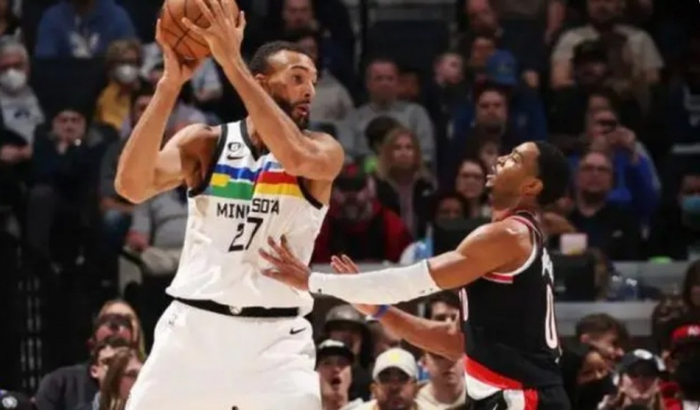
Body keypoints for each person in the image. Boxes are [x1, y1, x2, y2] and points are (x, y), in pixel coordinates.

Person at [115, 0, 344, 409]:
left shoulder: (322, 150)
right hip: (194, 331)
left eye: (312, 80)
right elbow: (131, 186)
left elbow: (293, 158)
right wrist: (169, 84)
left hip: (276, 343)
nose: (310, 90)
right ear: (262, 82)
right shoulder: (206, 142)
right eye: (297, 78)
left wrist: (230, 62)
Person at [261, 141, 572, 409]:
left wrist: (314, 281)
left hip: (523, 396)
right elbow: (454, 342)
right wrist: (379, 310)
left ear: (532, 186)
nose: (502, 159)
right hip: (507, 394)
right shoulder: (516, 239)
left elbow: (414, 282)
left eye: (515, 159)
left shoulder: (509, 235)